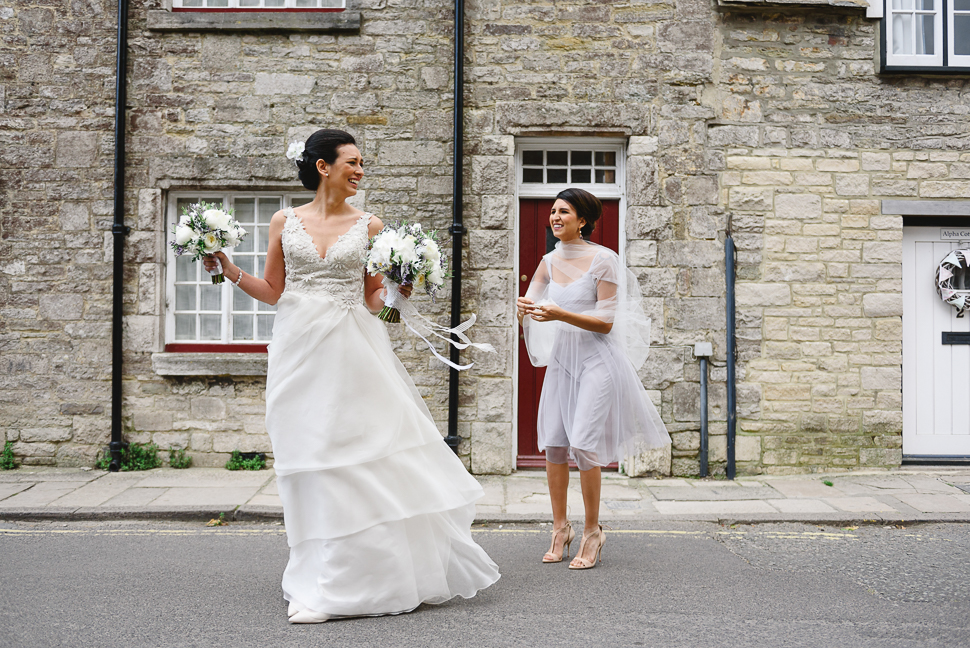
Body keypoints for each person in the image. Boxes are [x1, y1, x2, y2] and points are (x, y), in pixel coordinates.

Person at [204, 129, 499, 623]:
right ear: (324, 167)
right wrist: (229, 268)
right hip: (298, 350)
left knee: (354, 457)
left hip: (353, 348)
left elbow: (374, 304)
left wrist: (401, 293)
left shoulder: (371, 226)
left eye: (363, 163)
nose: (361, 171)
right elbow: (274, 290)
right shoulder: (283, 221)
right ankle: (314, 573)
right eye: (354, 162)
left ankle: (352, 581)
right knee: (308, 460)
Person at [516, 188, 670, 570]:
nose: (554, 217)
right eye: (552, 211)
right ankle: (559, 528)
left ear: (582, 220)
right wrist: (523, 309)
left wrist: (559, 314)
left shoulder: (604, 260)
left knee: (584, 444)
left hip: (598, 360)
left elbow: (605, 322)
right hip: (563, 361)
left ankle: (591, 531)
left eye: (563, 212)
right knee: (552, 443)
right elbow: (532, 307)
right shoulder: (547, 262)